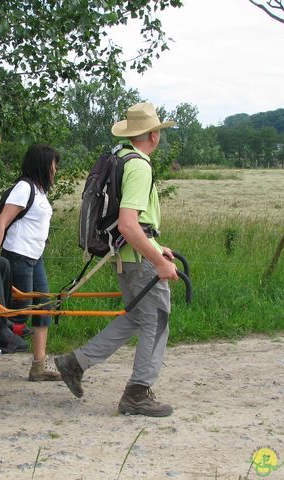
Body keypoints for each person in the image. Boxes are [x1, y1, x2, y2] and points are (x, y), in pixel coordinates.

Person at [54, 102, 179, 417]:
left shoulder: (119, 157)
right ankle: (137, 393)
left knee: (137, 317)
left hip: (125, 255)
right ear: (152, 135)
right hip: (138, 258)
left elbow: (131, 224)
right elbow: (128, 223)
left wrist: (157, 246)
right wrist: (160, 262)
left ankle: (75, 363)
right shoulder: (140, 166)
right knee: (157, 320)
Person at [0, 144, 61, 381]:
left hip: (35, 257)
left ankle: (38, 366)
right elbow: (1, 223)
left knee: (44, 307)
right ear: (42, 165)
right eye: (53, 165)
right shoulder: (24, 188)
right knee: (20, 310)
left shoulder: (40, 191)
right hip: (17, 256)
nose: (55, 170)